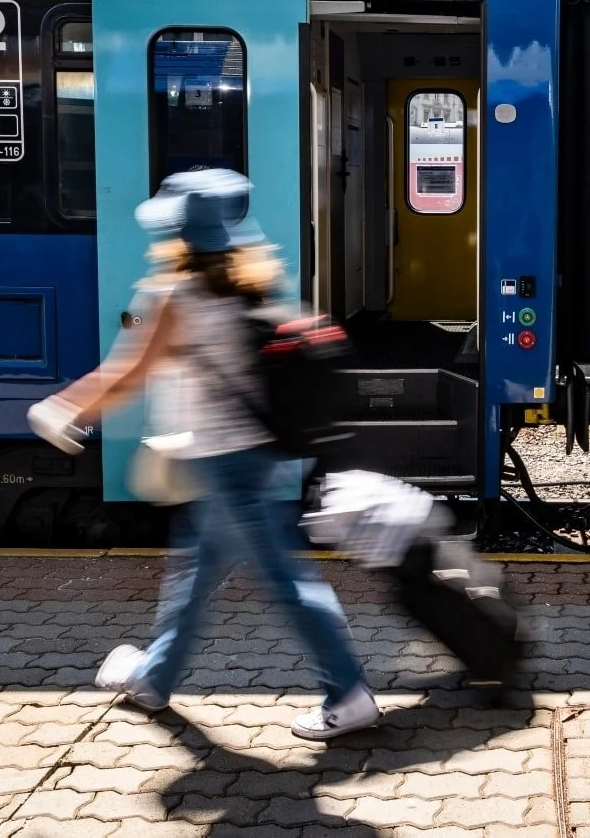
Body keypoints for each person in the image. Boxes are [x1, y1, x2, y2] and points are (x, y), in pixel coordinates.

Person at [28, 169, 379, 740]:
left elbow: (125, 375)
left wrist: (62, 408)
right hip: (247, 454)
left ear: (176, 236)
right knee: (196, 573)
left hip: (224, 461)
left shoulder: (170, 296)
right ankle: (153, 678)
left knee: (285, 582)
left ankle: (348, 692)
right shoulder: (249, 279)